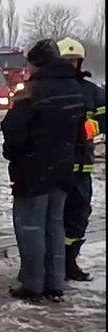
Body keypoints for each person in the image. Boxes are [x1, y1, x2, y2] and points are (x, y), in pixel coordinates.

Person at [1, 39, 86, 303]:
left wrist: (13, 154)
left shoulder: (30, 91)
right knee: (55, 225)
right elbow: (80, 128)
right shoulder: (75, 87)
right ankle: (55, 283)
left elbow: (13, 130)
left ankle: (33, 285)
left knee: (31, 227)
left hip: (33, 168)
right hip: (62, 167)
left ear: (36, 64)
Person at [58, 37, 106, 281]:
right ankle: (53, 265)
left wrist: (86, 128)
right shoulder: (49, 88)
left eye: (74, 60)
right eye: (65, 60)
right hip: (54, 167)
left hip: (81, 165)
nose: (70, 65)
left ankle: (69, 262)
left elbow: (104, 119)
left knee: (78, 215)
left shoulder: (92, 91)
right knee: (54, 217)